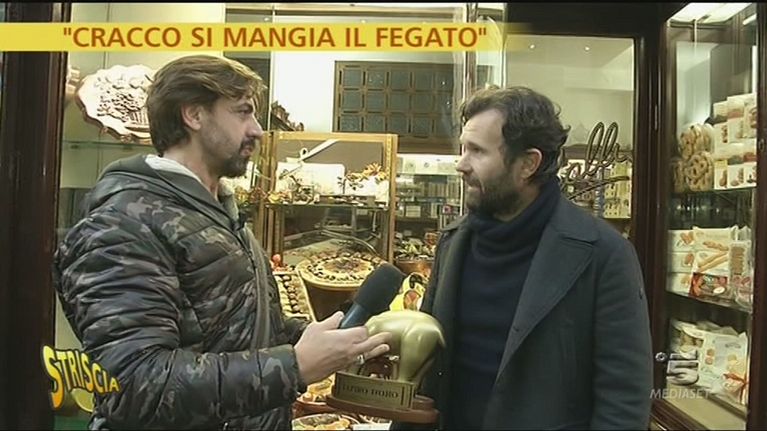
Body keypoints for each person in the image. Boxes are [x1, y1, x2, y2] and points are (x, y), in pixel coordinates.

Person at [52, 55, 390, 430]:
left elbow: (233, 328)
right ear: (194, 115)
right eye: (243, 112)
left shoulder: (221, 214)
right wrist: (294, 365)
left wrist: (315, 338)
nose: (257, 130)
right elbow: (133, 384)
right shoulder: (121, 224)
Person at [396, 87, 653, 430]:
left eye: (477, 151)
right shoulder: (453, 242)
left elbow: (623, 400)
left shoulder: (602, 254)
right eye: (463, 148)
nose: (461, 164)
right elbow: (427, 365)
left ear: (529, 163)